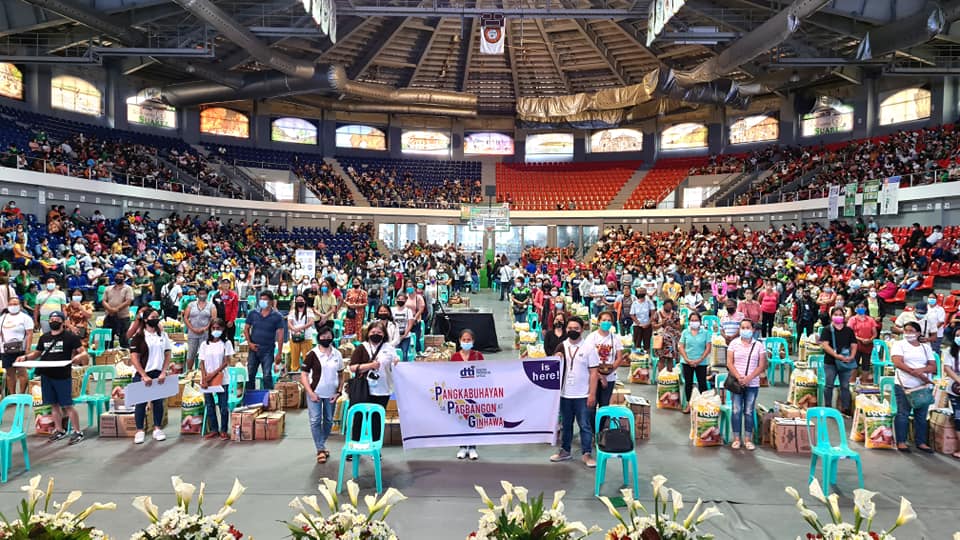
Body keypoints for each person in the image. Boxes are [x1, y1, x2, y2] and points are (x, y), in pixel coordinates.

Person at [16, 311, 86, 444]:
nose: (53, 321)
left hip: (62, 375)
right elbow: (37, 353)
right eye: (51, 318)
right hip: (46, 375)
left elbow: (83, 352)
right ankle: (59, 429)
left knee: (67, 405)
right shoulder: (44, 337)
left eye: (57, 318)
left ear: (63, 321)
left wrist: (78, 357)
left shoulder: (70, 337)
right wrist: (25, 357)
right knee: (53, 405)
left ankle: (77, 431)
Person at [549, 316, 599, 468]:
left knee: (584, 425)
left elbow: (594, 373)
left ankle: (586, 453)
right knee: (566, 424)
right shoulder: (561, 346)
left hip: (582, 394)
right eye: (570, 328)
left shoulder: (589, 348)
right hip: (565, 394)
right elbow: (551, 368)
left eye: (576, 329)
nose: (573, 331)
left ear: (582, 330)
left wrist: (592, 394)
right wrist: (555, 358)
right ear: (566, 329)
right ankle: (565, 451)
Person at [347, 322, 399, 443]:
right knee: (359, 417)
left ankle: (376, 447)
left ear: (384, 334)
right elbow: (352, 367)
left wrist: (396, 361)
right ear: (368, 333)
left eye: (379, 333)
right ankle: (355, 444)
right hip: (364, 388)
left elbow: (395, 362)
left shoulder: (389, 348)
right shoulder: (361, 347)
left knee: (377, 419)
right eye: (373, 332)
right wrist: (370, 365)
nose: (376, 335)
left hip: (383, 389)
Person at [891, 321, 937, 453]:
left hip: (923, 387)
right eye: (906, 331)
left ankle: (921, 442)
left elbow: (933, 366)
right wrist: (915, 372)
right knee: (903, 413)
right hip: (905, 385)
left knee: (921, 415)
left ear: (918, 333)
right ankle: (901, 441)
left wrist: (921, 371)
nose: (908, 334)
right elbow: (898, 362)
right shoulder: (899, 345)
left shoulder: (925, 347)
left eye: (911, 331)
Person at [301, 325, 344, 464]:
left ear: (332, 337)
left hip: (331, 394)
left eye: (328, 336)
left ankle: (321, 444)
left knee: (329, 421)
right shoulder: (312, 354)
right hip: (315, 393)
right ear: (318, 337)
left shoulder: (337, 354)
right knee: (315, 420)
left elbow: (341, 374)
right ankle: (320, 449)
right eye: (323, 336)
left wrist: (338, 392)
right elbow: (304, 375)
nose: (326, 339)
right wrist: (310, 392)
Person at [129, 307, 171, 444]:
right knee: (140, 403)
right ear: (146, 320)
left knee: (158, 402)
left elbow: (167, 354)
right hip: (143, 374)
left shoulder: (162, 336)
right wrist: (143, 374)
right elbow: (134, 358)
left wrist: (164, 371)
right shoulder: (139, 337)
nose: (156, 319)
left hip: (158, 373)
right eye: (153, 317)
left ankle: (157, 428)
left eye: (157, 317)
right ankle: (140, 430)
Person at [725, 318, 767, 450]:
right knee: (736, 410)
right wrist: (739, 377)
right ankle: (736, 438)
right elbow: (729, 363)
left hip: (753, 383)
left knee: (749, 411)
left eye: (748, 327)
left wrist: (749, 378)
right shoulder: (733, 344)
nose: (745, 330)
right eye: (742, 327)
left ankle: (748, 438)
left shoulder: (759, 346)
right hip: (736, 383)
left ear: (753, 329)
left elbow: (762, 365)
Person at [450, 329, 484, 460]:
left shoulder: (478, 356)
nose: (466, 342)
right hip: (459, 393)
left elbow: (484, 373)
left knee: (473, 420)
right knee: (461, 420)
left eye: (468, 340)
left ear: (473, 341)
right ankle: (463, 447)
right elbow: (450, 375)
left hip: (475, 393)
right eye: (464, 340)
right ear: (459, 341)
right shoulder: (455, 357)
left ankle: (473, 447)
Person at [199, 318, 233, 441]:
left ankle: (223, 430)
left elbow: (226, 362)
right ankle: (214, 429)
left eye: (218, 328)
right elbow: (201, 362)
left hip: (221, 378)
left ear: (223, 329)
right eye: (213, 328)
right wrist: (204, 377)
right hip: (207, 380)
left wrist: (212, 374)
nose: (215, 330)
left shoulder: (226, 343)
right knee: (210, 405)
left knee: (223, 406)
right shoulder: (204, 344)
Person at [819, 306, 858, 415]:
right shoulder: (827, 330)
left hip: (845, 361)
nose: (838, 317)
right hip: (830, 362)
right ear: (831, 316)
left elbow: (854, 344)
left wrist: (852, 356)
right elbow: (825, 345)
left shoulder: (848, 330)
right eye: (835, 314)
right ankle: (828, 406)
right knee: (829, 384)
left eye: (840, 315)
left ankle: (845, 408)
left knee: (845, 385)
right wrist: (836, 355)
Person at [584, 311, 623, 417]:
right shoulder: (591, 337)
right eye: (604, 320)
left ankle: (601, 430)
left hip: (610, 377)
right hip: (594, 376)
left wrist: (609, 372)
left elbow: (619, 358)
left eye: (609, 320)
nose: (606, 322)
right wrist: (601, 377)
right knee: (591, 405)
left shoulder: (615, 338)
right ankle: (591, 430)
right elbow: (586, 359)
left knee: (604, 406)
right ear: (598, 322)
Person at [244, 290, 285, 390]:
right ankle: (250, 396)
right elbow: (246, 329)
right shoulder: (253, 313)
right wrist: (250, 343)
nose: (262, 301)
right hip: (254, 349)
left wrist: (279, 353)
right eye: (261, 299)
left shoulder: (277, 316)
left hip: (268, 349)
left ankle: (270, 396)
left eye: (265, 299)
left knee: (267, 375)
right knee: (250, 374)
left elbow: (280, 335)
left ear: (271, 301)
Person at [679, 311, 712, 413]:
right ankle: (689, 405)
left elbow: (708, 348)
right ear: (689, 322)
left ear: (700, 322)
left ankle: (704, 405)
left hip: (701, 362)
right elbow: (681, 346)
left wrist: (700, 360)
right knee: (688, 384)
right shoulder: (685, 332)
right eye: (692, 320)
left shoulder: (705, 333)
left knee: (702, 383)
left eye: (696, 320)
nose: (694, 322)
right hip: (687, 362)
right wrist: (687, 359)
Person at [1, 297, 33, 395]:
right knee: (10, 374)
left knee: (22, 372)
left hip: (21, 349)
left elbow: (29, 334)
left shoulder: (25, 317)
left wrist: (27, 349)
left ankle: (22, 394)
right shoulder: (3, 318)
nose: (13, 306)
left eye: (15, 304)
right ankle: (12, 395)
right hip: (5, 350)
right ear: (8, 305)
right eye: (11, 304)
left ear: (19, 305)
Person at [183, 286, 217, 372]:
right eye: (200, 294)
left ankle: (203, 371)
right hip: (192, 333)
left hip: (205, 333)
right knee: (191, 354)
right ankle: (189, 371)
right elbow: (186, 317)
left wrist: (206, 328)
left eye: (204, 293)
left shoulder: (211, 305)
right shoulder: (191, 305)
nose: (202, 295)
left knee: (204, 354)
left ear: (207, 295)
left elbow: (213, 319)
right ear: (197, 295)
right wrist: (192, 328)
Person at [848, 302, 879, 382]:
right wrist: (861, 339)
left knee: (866, 365)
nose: (860, 308)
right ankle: (852, 383)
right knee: (854, 365)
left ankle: (864, 383)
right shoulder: (852, 319)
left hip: (868, 346)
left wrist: (870, 339)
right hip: (856, 346)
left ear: (865, 308)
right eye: (858, 307)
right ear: (855, 309)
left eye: (862, 307)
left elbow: (875, 333)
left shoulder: (870, 320)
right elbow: (850, 333)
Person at [102, 272, 133, 349]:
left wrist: (116, 309)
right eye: (117, 277)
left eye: (121, 277)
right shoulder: (108, 288)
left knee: (124, 338)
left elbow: (128, 301)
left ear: (124, 278)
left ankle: (125, 356)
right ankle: (108, 355)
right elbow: (104, 301)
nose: (119, 278)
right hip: (109, 317)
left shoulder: (128, 288)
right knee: (107, 339)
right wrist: (110, 309)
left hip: (123, 317)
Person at [941, 332, 960, 459]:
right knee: (959, 419)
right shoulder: (949, 351)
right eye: (958, 335)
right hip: (955, 390)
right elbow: (947, 368)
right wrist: (959, 380)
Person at [287, 294, 315, 372]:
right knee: (294, 357)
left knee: (307, 357)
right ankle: (294, 372)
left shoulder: (309, 310)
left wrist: (300, 328)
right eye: (298, 301)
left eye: (301, 300)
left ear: (305, 301)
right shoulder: (292, 311)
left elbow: (311, 322)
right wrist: (294, 329)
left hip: (306, 337)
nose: (300, 302)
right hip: (294, 337)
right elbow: (289, 322)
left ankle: (307, 373)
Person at [654, 299, 681, 371]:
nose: (668, 308)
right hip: (661, 340)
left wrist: (672, 324)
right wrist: (661, 323)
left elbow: (679, 327)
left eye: (670, 307)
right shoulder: (658, 314)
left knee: (670, 358)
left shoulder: (675, 314)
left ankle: (669, 376)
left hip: (672, 341)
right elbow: (653, 326)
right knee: (661, 359)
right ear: (663, 306)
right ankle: (661, 377)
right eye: (667, 306)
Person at [212, 278, 239, 345]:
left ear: (229, 285)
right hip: (219, 321)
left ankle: (231, 353)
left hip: (229, 320)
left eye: (227, 283)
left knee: (230, 338)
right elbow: (213, 308)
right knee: (220, 337)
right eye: (224, 283)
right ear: (221, 285)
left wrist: (231, 320)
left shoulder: (233, 295)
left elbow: (235, 309)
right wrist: (215, 320)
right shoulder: (216, 295)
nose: (225, 285)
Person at [390, 294, 415, 362]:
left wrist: (404, 335)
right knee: (396, 354)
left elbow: (410, 324)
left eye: (402, 299)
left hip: (406, 336)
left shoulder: (408, 311)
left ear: (405, 300)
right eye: (399, 299)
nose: (400, 301)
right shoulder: (392, 310)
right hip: (395, 336)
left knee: (404, 354)